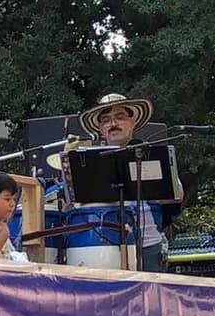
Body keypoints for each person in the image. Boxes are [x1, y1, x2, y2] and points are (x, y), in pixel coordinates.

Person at [76, 93, 182, 272]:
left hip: (147, 244)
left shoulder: (149, 153)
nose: (113, 124)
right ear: (101, 129)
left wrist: (148, 190)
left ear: (133, 122)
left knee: (148, 297)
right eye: (106, 120)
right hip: (103, 244)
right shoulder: (88, 161)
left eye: (120, 117)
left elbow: (177, 195)